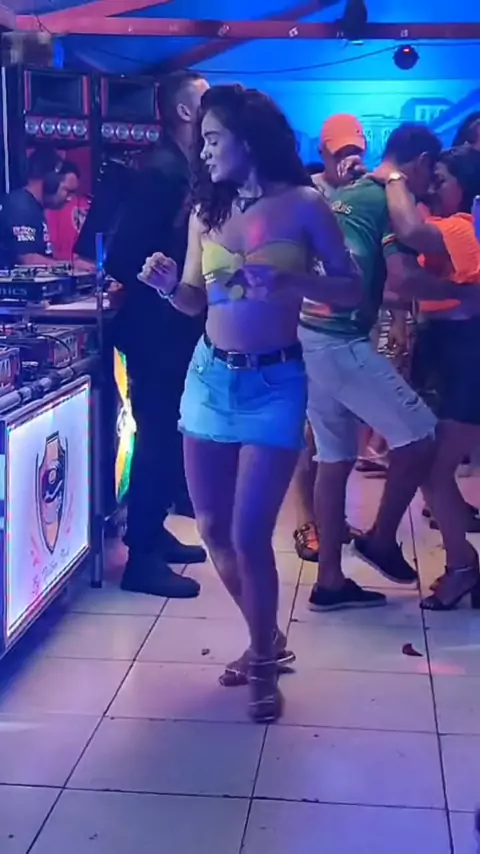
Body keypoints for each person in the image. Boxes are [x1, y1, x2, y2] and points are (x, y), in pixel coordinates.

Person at [140, 84, 362, 721]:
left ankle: (263, 663)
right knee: (212, 529)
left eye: (213, 139)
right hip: (210, 379)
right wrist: (167, 286)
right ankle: (266, 638)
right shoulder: (204, 211)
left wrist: (293, 280)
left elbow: (351, 289)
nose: (204, 151)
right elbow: (195, 299)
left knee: (248, 534)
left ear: (248, 138)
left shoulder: (304, 205)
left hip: (275, 383)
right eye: (202, 141)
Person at [299, 123, 478, 612]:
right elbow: (403, 276)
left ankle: (330, 582)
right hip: (341, 338)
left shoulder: (351, 191)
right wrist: (462, 295)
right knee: (420, 438)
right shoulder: (388, 201)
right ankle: (381, 541)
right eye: (430, 176)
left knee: (334, 459)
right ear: (419, 163)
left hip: (312, 331)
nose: (430, 188)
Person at [106, 70, 210, 599]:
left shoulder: (182, 167)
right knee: (157, 436)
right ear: (185, 111)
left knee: (169, 435)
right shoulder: (161, 171)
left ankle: (153, 531)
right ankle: (140, 554)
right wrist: (165, 284)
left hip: (173, 324)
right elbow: (122, 254)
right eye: (205, 98)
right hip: (156, 329)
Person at [376, 145, 480, 609]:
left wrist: (394, 178)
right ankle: (464, 565)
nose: (434, 187)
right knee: (431, 468)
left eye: (442, 179)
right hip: (445, 353)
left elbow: (411, 232)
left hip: (466, 357)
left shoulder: (463, 227)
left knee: (435, 469)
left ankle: (463, 568)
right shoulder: (449, 224)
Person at [292, 117, 367, 562]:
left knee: (341, 434)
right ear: (323, 153)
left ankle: (331, 517)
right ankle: (308, 520)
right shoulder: (308, 195)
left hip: (349, 327)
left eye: (354, 151)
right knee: (311, 431)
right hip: (307, 325)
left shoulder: (366, 195)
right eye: (340, 153)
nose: (349, 160)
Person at [0, 146, 74, 266]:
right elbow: (28, 260)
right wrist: (71, 267)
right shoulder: (20, 207)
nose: (69, 198)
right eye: (68, 191)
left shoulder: (33, 207)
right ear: (51, 182)